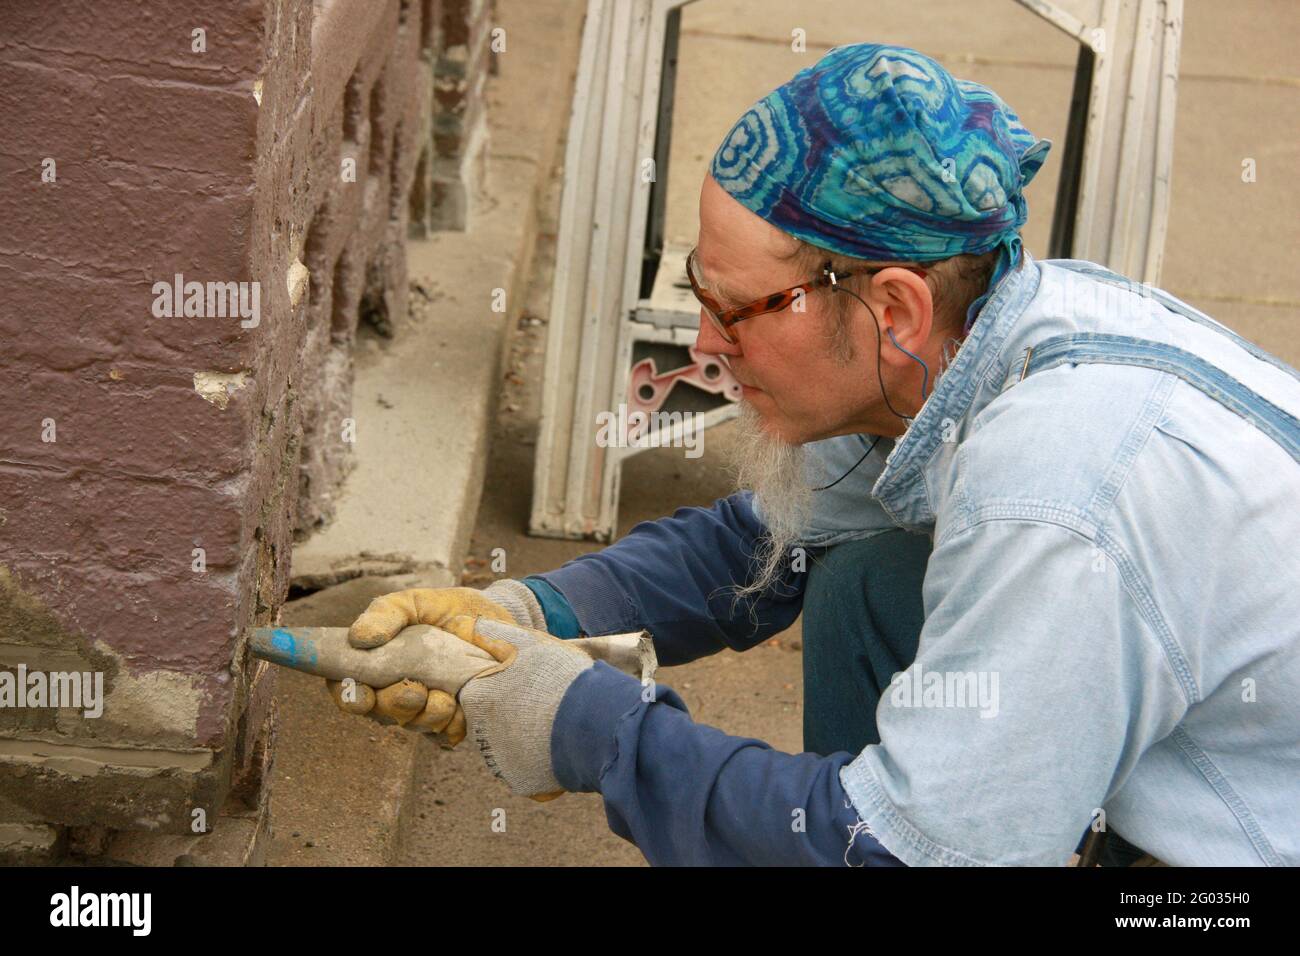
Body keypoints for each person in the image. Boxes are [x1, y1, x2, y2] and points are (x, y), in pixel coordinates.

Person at [322, 44, 1300, 866]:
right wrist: (523, 616)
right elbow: (759, 547)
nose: (705, 347)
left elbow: (901, 849)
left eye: (736, 309)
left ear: (892, 307)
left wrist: (591, 728)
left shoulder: (1059, 492)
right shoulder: (973, 342)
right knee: (867, 580)